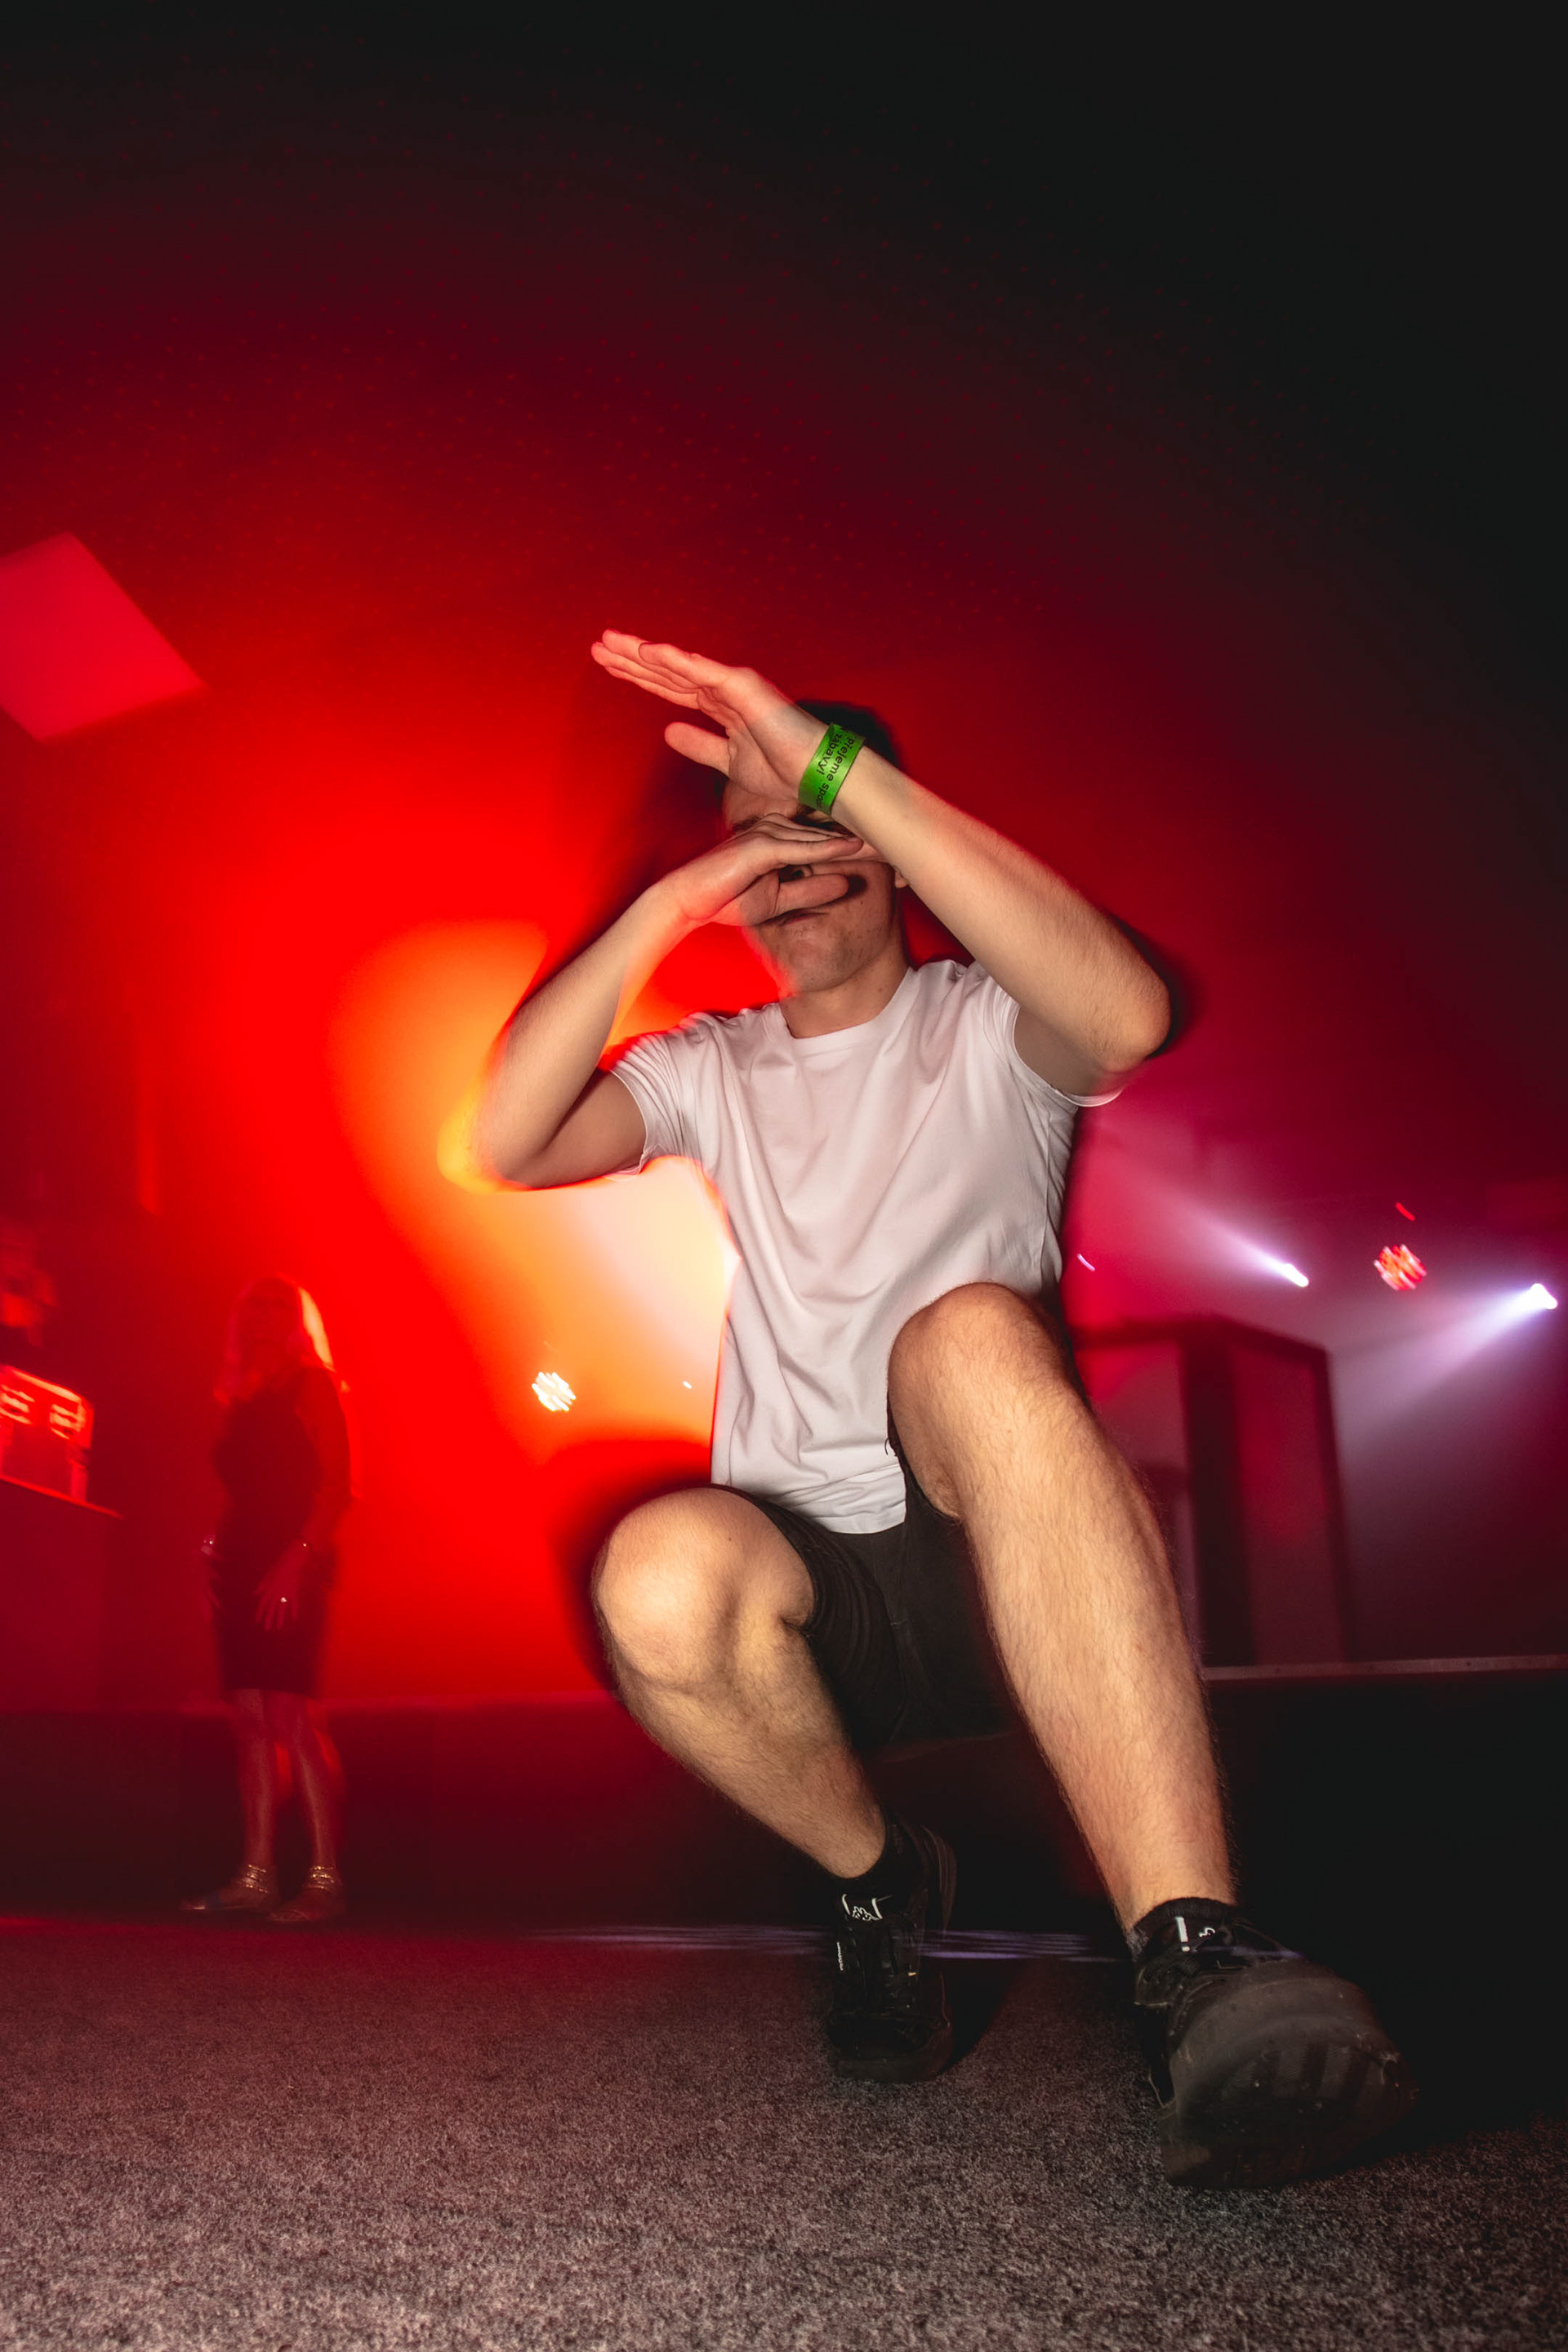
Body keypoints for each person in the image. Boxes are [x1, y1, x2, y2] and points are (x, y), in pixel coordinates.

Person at [472, 632, 1414, 2187]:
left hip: (1003, 1555)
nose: (792, 867)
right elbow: (507, 1141)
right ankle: (879, 1883)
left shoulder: (985, 1021)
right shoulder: (712, 1067)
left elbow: (1127, 1015)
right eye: (759, 845)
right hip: (817, 1596)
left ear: (889, 839)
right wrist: (668, 902)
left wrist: (835, 769)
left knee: (969, 1336)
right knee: (656, 1570)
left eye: (822, 827)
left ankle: (1200, 1960)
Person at [181, 1275, 352, 1926]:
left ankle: (325, 1881)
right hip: (240, 1563)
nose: (264, 1315)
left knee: (293, 1717)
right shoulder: (240, 1392)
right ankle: (255, 1875)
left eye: (280, 1306)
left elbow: (339, 1488)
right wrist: (209, 1550)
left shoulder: (314, 1385)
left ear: (298, 1321)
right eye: (255, 1304)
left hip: (295, 1560)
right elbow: (240, 1491)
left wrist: (295, 1560)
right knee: (249, 1721)